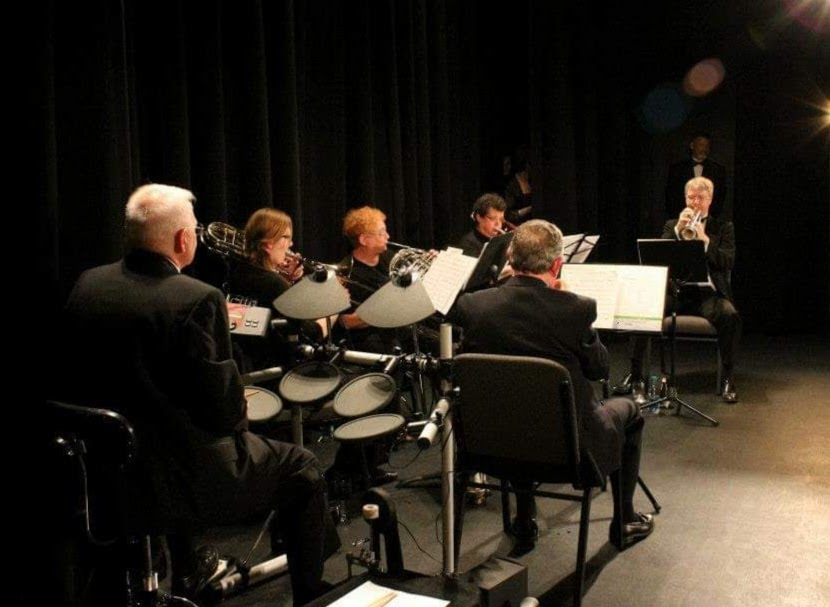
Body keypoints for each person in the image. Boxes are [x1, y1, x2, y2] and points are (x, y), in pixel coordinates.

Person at [58, 184, 339, 605]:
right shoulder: (198, 298)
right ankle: (311, 594)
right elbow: (223, 413)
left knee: (172, 436)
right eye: (192, 229)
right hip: (181, 476)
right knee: (303, 468)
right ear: (181, 239)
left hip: (101, 470)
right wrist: (237, 403)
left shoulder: (89, 283)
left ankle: (189, 566)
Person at [450, 220, 654, 554]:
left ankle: (524, 520)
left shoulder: (473, 307)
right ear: (557, 265)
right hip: (569, 454)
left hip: (493, 447)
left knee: (516, 403)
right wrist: (567, 299)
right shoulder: (575, 308)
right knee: (629, 409)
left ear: (510, 259)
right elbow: (599, 369)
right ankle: (624, 521)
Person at [617, 176, 741, 403]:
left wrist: (704, 240)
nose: (695, 202)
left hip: (707, 296)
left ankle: (728, 377)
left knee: (730, 315)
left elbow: (727, 262)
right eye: (691, 197)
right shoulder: (671, 225)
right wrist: (677, 231)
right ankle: (635, 376)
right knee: (641, 312)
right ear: (685, 198)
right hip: (675, 293)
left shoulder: (724, 228)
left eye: (700, 198)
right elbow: (659, 257)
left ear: (710, 199)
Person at [227, 207, 328, 370]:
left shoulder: (236, 274)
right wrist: (334, 311)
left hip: (245, 368)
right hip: (275, 371)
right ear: (268, 244)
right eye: (286, 237)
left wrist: (289, 280)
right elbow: (311, 334)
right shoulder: (273, 283)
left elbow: (260, 321)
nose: (291, 244)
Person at [338, 206, 399, 354]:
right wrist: (383, 310)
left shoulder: (391, 258)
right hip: (371, 342)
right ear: (364, 240)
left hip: (398, 330)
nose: (388, 236)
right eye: (381, 233)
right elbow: (344, 321)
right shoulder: (346, 273)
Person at [665, 133, 727, 218]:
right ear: (692, 146)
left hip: (708, 219)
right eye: (701, 145)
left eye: (707, 146)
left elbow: (720, 196)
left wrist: (712, 216)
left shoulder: (718, 170)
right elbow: (671, 195)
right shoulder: (677, 169)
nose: (704, 149)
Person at [456, 193, 507, 258]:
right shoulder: (468, 244)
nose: (498, 224)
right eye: (493, 218)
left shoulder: (500, 240)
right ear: (479, 217)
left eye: (501, 219)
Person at [503, 145, 533, 225]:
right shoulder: (512, 185)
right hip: (518, 225)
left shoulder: (532, 181)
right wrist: (528, 209)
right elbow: (508, 215)